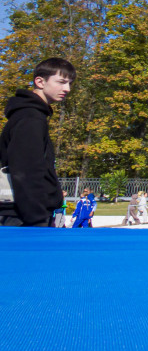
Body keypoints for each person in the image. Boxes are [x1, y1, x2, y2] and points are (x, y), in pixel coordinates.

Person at [0, 58, 75, 227]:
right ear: (40, 82)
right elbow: (26, 172)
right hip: (23, 219)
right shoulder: (30, 117)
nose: (67, 89)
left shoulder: (33, 115)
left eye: (70, 83)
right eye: (61, 82)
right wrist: (38, 220)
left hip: (26, 216)